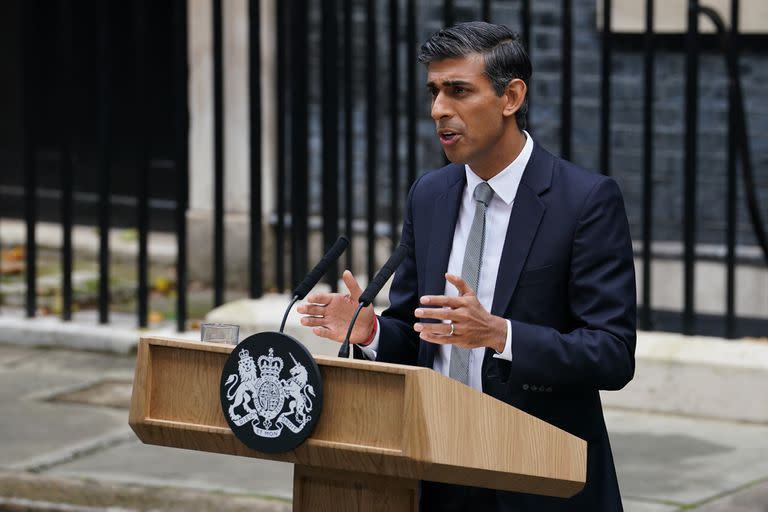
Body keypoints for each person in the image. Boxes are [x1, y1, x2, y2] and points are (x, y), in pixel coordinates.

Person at [297, 21, 636, 512]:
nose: (439, 110)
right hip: (434, 470)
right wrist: (370, 332)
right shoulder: (430, 194)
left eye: (458, 91)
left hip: (537, 476)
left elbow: (612, 354)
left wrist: (501, 334)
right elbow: (417, 336)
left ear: (511, 97)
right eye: (434, 92)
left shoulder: (584, 200)